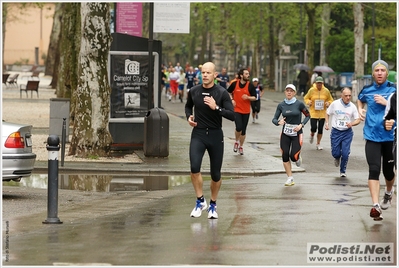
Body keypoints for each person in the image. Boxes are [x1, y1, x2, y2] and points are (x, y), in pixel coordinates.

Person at [185, 62, 235, 219]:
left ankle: (213, 204)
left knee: (215, 174)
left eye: (208, 73)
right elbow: (188, 106)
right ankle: (200, 201)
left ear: (215, 75)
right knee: (194, 167)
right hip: (198, 134)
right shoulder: (194, 91)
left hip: (215, 135)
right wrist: (189, 117)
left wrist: (216, 108)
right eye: (203, 72)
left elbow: (232, 115)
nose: (205, 75)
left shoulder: (222, 93)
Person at [357, 59, 396, 221]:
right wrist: (359, 108)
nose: (379, 73)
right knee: (374, 169)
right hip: (372, 136)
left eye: (383, 70)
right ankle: (375, 205)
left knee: (388, 172)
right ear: (373, 73)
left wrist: (387, 103)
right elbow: (360, 99)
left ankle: (388, 193)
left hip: (389, 138)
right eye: (377, 70)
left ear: (387, 73)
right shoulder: (367, 89)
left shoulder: (394, 89)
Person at [272, 84, 310, 186]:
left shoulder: (299, 104)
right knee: (285, 155)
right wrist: (278, 122)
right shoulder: (281, 105)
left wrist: (301, 125)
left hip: (296, 133)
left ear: (294, 93)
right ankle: (290, 178)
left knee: (293, 156)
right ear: (285, 92)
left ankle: (297, 158)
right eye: (287, 90)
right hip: (285, 133)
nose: (289, 92)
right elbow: (274, 119)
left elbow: (307, 115)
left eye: (291, 91)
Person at [325, 87, 361, 177]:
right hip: (336, 132)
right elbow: (327, 112)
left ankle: (342, 171)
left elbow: (358, 119)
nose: (348, 97)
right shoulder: (335, 104)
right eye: (346, 96)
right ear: (341, 95)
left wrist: (351, 124)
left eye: (349, 95)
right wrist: (326, 123)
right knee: (336, 153)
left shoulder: (352, 106)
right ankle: (337, 157)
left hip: (347, 132)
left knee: (345, 153)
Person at [227, 68, 257, 155]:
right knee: (238, 127)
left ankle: (241, 146)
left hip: (246, 111)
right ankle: (236, 141)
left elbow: (255, 97)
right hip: (236, 110)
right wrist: (232, 99)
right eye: (246, 74)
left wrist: (248, 97)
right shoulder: (234, 84)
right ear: (241, 75)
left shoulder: (250, 85)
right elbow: (228, 92)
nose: (248, 75)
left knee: (243, 130)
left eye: (248, 74)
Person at [304, 76, 334, 150]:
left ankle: (318, 143)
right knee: (314, 127)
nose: (319, 85)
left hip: (323, 113)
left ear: (322, 83)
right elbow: (306, 97)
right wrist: (309, 102)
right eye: (318, 83)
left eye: (320, 83)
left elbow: (331, 100)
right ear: (315, 83)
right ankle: (312, 134)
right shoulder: (311, 90)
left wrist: (328, 103)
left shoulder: (326, 91)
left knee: (320, 129)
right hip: (313, 112)